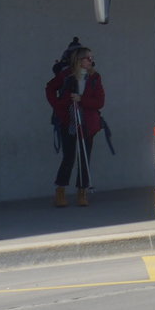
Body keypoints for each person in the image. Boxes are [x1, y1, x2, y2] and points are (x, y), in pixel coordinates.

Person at [46, 45, 105, 207]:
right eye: (88, 58)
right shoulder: (66, 76)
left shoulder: (95, 77)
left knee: (85, 158)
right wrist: (58, 106)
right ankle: (60, 191)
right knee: (69, 156)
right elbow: (50, 88)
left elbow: (100, 102)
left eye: (92, 58)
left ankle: (82, 191)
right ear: (79, 60)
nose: (91, 61)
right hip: (69, 121)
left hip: (88, 124)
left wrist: (81, 100)